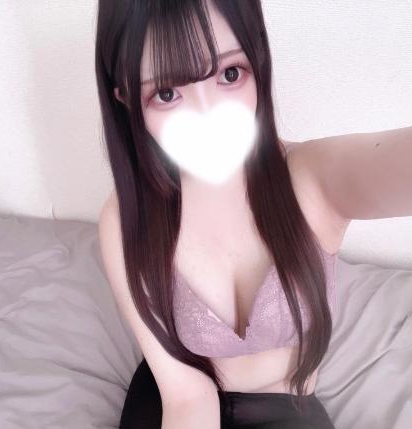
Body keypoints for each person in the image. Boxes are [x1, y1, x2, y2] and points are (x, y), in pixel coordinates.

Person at [96, 0, 343, 427]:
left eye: (230, 74)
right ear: (128, 100)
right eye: (167, 93)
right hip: (172, 393)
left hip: (286, 406)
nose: (207, 116)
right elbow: (186, 397)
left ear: (257, 57)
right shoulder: (125, 219)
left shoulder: (316, 181)